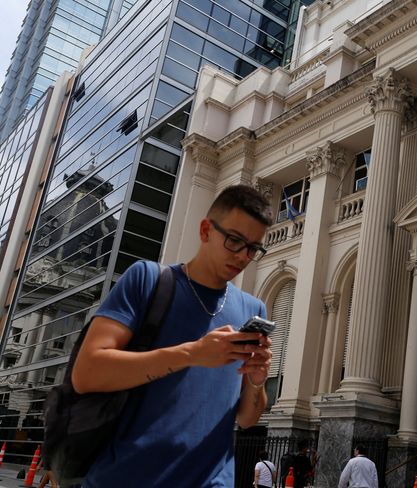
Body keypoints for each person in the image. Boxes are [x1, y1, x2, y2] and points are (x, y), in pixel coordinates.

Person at [71, 185, 274, 486]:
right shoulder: (147, 279)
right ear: (206, 230)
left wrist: (257, 380)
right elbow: (86, 374)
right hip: (126, 478)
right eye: (234, 241)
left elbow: (246, 419)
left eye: (253, 248)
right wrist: (192, 354)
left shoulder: (253, 308)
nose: (243, 256)